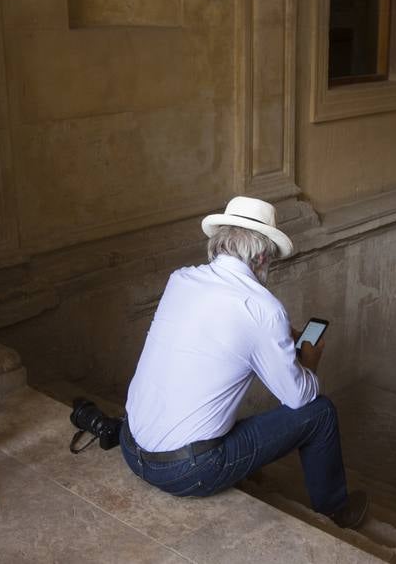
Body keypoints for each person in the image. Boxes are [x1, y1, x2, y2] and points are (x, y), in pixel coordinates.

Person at [121, 196, 368, 529]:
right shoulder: (263, 308)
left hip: (131, 445)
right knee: (320, 412)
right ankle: (336, 513)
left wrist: (278, 335)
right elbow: (297, 398)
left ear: (220, 242)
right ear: (263, 256)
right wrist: (309, 363)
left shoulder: (180, 279)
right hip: (184, 472)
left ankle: (245, 469)